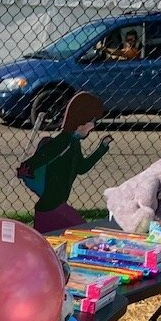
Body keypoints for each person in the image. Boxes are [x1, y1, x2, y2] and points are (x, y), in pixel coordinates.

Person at [19, 92, 114, 234]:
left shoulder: (73, 143)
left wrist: (102, 148)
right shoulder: (63, 142)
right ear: (80, 120)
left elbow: (81, 167)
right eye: (91, 121)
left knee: (53, 241)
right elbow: (36, 161)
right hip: (52, 207)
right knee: (86, 234)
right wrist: (27, 168)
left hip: (55, 206)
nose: (92, 127)